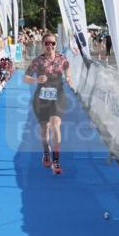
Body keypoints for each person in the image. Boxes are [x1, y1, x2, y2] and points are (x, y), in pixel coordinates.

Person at [23, 32, 73, 174]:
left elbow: (67, 67)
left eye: (52, 43)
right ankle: (46, 151)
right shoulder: (38, 61)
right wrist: (36, 80)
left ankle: (56, 160)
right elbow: (25, 77)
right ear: (42, 44)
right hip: (42, 97)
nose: (50, 45)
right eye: (47, 43)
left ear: (56, 44)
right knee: (44, 128)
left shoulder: (62, 58)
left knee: (55, 124)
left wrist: (68, 77)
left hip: (58, 95)